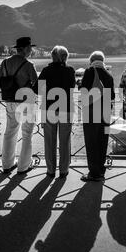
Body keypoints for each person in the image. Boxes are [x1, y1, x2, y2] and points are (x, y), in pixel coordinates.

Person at [0, 37, 38, 175]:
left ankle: (7, 165)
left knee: (10, 132)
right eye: (30, 48)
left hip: (10, 102)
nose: (31, 50)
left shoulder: (5, 62)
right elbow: (37, 86)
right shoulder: (28, 65)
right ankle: (23, 167)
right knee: (27, 134)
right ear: (25, 49)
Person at [33, 46, 75, 178]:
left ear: (53, 57)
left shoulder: (46, 70)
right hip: (66, 109)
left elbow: (36, 90)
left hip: (49, 108)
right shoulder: (70, 70)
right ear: (65, 57)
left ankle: (51, 170)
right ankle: (64, 170)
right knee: (65, 140)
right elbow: (73, 86)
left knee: (49, 141)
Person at [80, 51, 115, 182]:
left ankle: (93, 174)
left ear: (91, 60)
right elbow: (112, 96)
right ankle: (100, 169)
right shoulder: (108, 75)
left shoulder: (89, 71)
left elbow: (83, 91)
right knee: (102, 140)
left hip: (91, 110)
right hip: (105, 110)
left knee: (91, 140)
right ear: (102, 61)